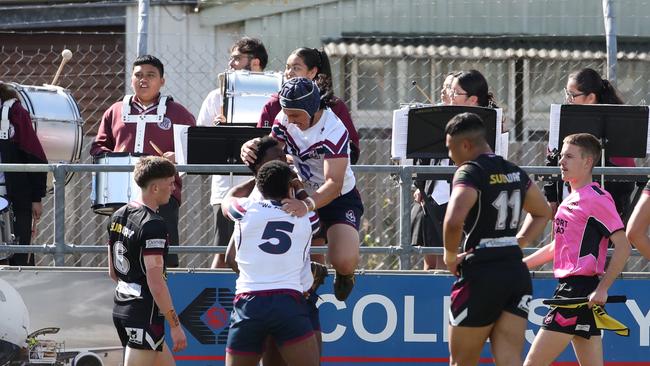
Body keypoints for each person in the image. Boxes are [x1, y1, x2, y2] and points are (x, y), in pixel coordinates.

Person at [443, 112, 551, 366]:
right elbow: (543, 211)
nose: (450, 156)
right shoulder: (513, 171)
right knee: (509, 359)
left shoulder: (470, 171)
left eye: (450, 149)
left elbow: (453, 220)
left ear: (466, 145)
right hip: (515, 273)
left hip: (481, 273)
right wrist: (517, 243)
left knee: (461, 362)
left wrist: (449, 257)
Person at [242, 77, 363, 302]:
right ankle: (306, 297)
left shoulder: (334, 130)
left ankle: (346, 275)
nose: (290, 120)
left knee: (344, 260)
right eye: (287, 113)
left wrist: (305, 204)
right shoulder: (284, 118)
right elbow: (271, 155)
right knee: (309, 267)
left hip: (338, 198)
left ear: (311, 108)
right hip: (300, 191)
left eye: (295, 115)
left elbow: (334, 184)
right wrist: (250, 148)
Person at [523, 133, 631, 366]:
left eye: (569, 157)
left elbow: (623, 246)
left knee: (532, 363)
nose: (561, 162)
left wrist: (603, 289)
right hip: (576, 291)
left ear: (587, 162)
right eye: (561, 156)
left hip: (576, 293)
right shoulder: (569, 199)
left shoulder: (596, 199)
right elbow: (555, 247)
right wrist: (518, 265)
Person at [91, 55, 195, 268]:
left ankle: (166, 297)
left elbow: (194, 149)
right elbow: (98, 147)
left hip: (163, 195)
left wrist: (178, 157)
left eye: (150, 75)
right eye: (138, 75)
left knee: (163, 255)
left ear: (162, 81)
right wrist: (115, 157)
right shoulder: (115, 110)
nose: (143, 80)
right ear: (131, 79)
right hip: (122, 195)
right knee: (124, 254)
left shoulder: (178, 113)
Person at [222, 160, 320, 366]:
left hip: (249, 302)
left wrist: (255, 180)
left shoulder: (244, 208)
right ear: (289, 188)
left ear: (260, 186)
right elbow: (314, 217)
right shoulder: (306, 217)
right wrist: (300, 191)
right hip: (288, 301)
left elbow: (227, 199)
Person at [107, 156, 187, 366]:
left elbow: (113, 272)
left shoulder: (118, 215)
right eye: (170, 183)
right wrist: (175, 325)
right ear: (154, 188)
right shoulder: (153, 224)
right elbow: (156, 283)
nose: (173, 188)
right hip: (143, 314)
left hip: (122, 306)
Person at [197, 37, 269, 269]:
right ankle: (214, 300)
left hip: (266, 189)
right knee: (224, 251)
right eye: (231, 58)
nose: (231, 63)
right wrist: (221, 131)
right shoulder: (215, 97)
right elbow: (200, 144)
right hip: (227, 189)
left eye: (238, 58)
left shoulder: (274, 96)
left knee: (262, 252)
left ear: (256, 63)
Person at [544, 68, 634, 219]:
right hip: (571, 201)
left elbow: (624, 176)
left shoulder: (616, 125)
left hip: (610, 199)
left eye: (572, 95)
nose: (568, 99)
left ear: (591, 97)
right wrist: (551, 198)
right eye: (567, 93)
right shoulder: (564, 121)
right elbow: (552, 158)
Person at [256, 47, 360, 164]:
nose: (289, 73)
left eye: (296, 68)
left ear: (312, 72)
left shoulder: (334, 107)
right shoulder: (273, 104)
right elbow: (265, 150)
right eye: (287, 67)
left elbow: (351, 151)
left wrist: (307, 160)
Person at [411, 72, 457, 270]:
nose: (442, 92)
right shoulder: (434, 120)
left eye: (449, 88)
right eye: (444, 87)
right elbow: (422, 157)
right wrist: (419, 186)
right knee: (429, 260)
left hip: (454, 195)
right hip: (432, 194)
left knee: (445, 260)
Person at [0, 82, 47, 266]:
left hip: (14, 198)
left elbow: (34, 155)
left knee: (19, 257)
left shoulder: (14, 112)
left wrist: (36, 197)